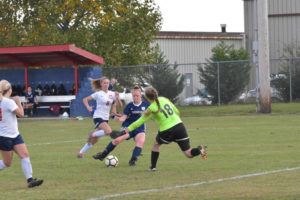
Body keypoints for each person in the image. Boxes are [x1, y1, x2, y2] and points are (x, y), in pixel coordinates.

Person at [123, 87, 207, 171]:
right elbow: (177, 111)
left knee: (156, 144)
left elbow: (138, 122)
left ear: (147, 98)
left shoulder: (151, 108)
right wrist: (175, 120)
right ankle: (200, 150)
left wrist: (125, 131)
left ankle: (153, 167)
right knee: (188, 153)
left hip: (167, 130)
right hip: (180, 126)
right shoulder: (164, 99)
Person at [0, 80, 43, 188]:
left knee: (25, 155)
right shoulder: (8, 102)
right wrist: (18, 101)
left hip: (14, 134)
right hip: (5, 137)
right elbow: (21, 114)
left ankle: (30, 180)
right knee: (7, 163)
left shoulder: (4, 101)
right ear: (9, 90)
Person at [92, 86, 150, 166]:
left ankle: (132, 161)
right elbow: (124, 117)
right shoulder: (130, 106)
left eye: (137, 95)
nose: (135, 97)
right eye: (134, 96)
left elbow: (153, 113)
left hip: (140, 128)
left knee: (140, 141)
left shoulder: (146, 105)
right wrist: (119, 119)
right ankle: (103, 155)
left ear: (141, 95)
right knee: (116, 140)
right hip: (128, 128)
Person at [77, 77, 123, 158]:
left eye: (107, 83)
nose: (106, 84)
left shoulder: (112, 94)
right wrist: (88, 107)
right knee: (108, 131)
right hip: (98, 117)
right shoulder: (98, 94)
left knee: (94, 141)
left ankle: (80, 153)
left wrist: (117, 98)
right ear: (101, 84)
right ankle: (93, 134)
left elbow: (120, 105)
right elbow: (85, 99)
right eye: (104, 83)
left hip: (105, 119)